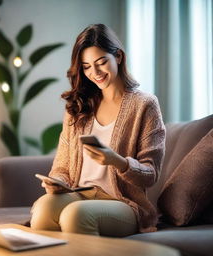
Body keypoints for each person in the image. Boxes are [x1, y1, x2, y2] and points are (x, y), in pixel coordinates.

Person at [30, 24, 166, 236]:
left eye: (101, 62)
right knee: (43, 208)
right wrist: (58, 183)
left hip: (122, 203)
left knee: (75, 214)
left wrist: (117, 161)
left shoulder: (144, 105)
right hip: (80, 194)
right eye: (86, 66)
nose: (95, 73)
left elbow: (151, 174)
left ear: (118, 57)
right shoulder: (79, 106)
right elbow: (62, 166)